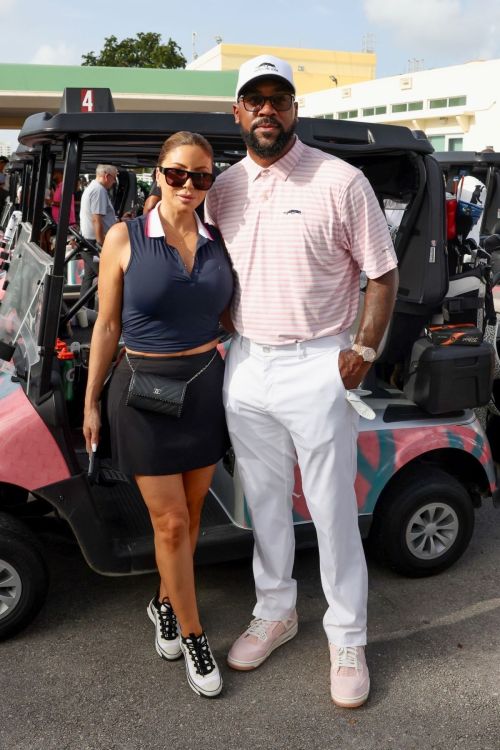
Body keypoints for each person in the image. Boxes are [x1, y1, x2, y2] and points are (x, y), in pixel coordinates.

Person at [205, 55, 399, 709]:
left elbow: (382, 273)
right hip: (247, 363)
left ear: (294, 109)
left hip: (319, 361)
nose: (266, 108)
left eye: (278, 97)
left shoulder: (340, 181)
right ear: (238, 113)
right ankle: (276, 611)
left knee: (331, 511)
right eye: (253, 99)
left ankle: (347, 636)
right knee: (264, 503)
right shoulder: (222, 189)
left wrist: (365, 349)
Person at [83, 132, 233, 699]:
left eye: (201, 176)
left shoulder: (221, 240)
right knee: (169, 522)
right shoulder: (124, 238)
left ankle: (163, 602)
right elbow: (106, 326)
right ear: (157, 173)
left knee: (193, 516)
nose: (189, 186)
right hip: (142, 391)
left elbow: (233, 313)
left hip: (202, 388)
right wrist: (92, 399)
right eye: (177, 174)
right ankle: (193, 634)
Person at [79, 164, 119, 309]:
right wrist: (101, 243)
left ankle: (84, 312)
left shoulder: (93, 188)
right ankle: (110, 313)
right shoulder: (99, 190)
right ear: (107, 176)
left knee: (89, 278)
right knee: (108, 278)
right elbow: (97, 218)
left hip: (89, 239)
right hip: (94, 241)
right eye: (114, 178)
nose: (114, 182)